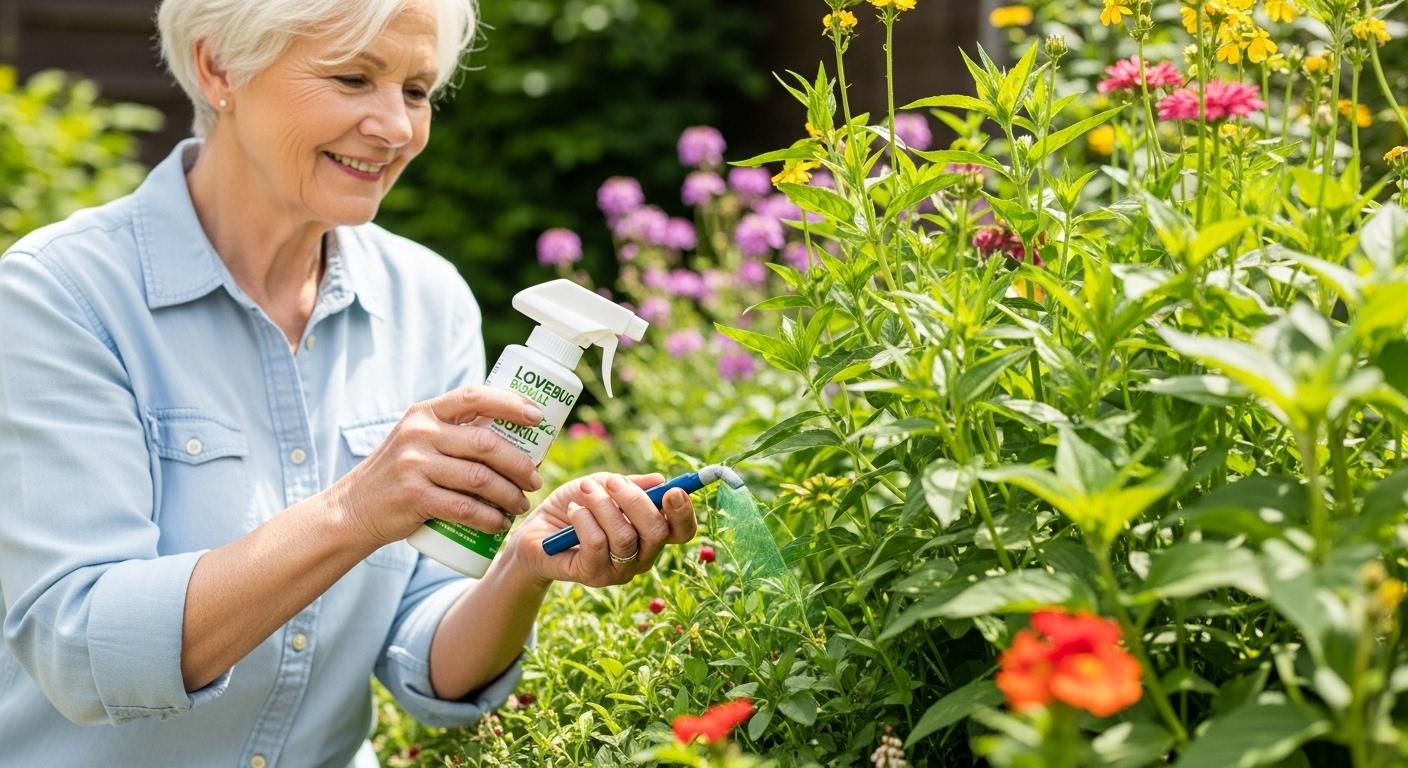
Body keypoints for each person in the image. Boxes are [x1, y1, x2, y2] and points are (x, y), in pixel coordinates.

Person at [0, 0, 698, 764]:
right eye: (353, 77)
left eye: (416, 90)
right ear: (217, 66)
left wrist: (523, 567)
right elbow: (80, 649)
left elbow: (421, 650)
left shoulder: (427, 303)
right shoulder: (61, 297)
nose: (396, 127)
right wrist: (354, 512)